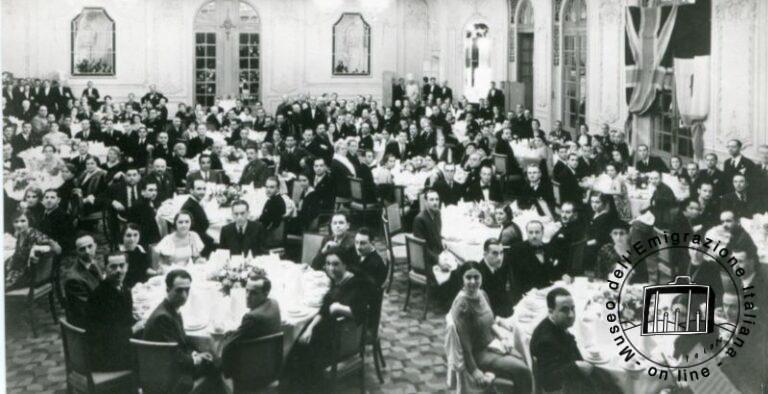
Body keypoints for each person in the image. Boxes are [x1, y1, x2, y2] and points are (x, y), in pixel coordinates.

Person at [282, 249, 369, 393]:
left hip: (340, 339)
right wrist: (310, 328)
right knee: (297, 345)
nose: (330, 268)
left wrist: (338, 308)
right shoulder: (337, 280)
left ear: (345, 265)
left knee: (303, 357)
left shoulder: (355, 284)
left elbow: (361, 313)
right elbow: (324, 309)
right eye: (328, 264)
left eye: (336, 264)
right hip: (327, 331)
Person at [448, 262, 531, 391]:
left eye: (476, 277)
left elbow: (491, 323)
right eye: (468, 277)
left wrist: (502, 338)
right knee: (522, 370)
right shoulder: (462, 306)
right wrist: (474, 370)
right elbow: (464, 344)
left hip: (493, 345)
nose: (473, 281)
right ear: (462, 279)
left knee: (523, 357)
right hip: (479, 354)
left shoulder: (482, 294)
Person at [143, 269, 218, 394]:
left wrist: (196, 354)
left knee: (213, 360)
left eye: (187, 290)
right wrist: (197, 358)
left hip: (171, 365)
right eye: (179, 290)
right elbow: (173, 356)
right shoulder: (163, 317)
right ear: (167, 290)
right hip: (167, 375)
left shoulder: (171, 309)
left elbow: (180, 343)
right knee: (216, 364)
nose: (184, 295)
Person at [530, 288, 598, 393]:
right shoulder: (545, 341)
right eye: (564, 310)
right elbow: (548, 380)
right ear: (551, 311)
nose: (571, 315)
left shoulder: (556, 325)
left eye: (572, 308)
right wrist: (576, 367)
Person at [85, 253, 144, 372]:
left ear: (127, 267)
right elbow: (107, 336)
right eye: (113, 267)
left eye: (122, 266)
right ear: (105, 268)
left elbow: (123, 320)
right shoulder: (100, 296)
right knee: (150, 357)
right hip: (105, 355)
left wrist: (137, 321)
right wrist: (135, 328)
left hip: (118, 343)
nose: (118, 270)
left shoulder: (124, 289)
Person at [220, 271, 282, 377]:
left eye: (253, 293)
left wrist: (225, 338)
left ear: (265, 293)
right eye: (247, 291)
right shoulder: (274, 303)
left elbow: (228, 345)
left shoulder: (252, 318)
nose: (247, 296)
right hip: (270, 363)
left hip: (250, 370)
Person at [5, 211, 62, 291]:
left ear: (29, 221)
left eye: (23, 221)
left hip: (28, 275)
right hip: (17, 272)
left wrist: (36, 248)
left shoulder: (34, 234)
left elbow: (58, 250)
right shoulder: (20, 234)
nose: (19, 225)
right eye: (16, 221)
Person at [61, 234, 103, 328]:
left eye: (90, 246)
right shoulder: (73, 279)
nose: (87, 251)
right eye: (82, 249)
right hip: (86, 324)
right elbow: (87, 310)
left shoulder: (92, 263)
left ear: (95, 246)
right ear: (77, 252)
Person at [510, 221, 561, 297]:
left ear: (542, 233)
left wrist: (562, 275)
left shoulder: (549, 248)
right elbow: (514, 278)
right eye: (530, 232)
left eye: (537, 232)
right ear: (526, 233)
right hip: (527, 294)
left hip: (547, 292)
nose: (534, 236)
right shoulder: (517, 250)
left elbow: (553, 273)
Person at [477, 239, 514, 317]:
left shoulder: (503, 265)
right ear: (485, 254)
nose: (500, 258)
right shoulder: (479, 275)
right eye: (495, 253)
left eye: (501, 253)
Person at [181, 179, 214, 256]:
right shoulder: (189, 206)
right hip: (197, 244)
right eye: (199, 189)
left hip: (201, 239)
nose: (202, 192)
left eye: (204, 189)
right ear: (191, 190)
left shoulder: (194, 203)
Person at [412, 188, 444, 268]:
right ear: (425, 202)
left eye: (437, 199)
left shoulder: (437, 213)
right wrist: (438, 260)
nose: (435, 202)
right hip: (426, 259)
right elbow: (421, 248)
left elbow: (436, 234)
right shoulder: (419, 219)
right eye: (431, 200)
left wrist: (442, 241)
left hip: (436, 253)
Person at [125, 180, 162, 248]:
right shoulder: (140, 206)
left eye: (155, 190)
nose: (154, 193)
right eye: (150, 190)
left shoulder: (149, 202)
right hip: (143, 242)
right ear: (143, 192)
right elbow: (148, 231)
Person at [121, 223, 157, 289]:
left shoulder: (139, 248)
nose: (132, 239)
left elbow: (145, 268)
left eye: (135, 235)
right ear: (123, 236)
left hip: (143, 284)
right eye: (128, 236)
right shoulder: (120, 254)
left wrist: (156, 273)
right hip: (128, 287)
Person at [38, 188, 75, 253]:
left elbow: (66, 241)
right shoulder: (43, 214)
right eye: (46, 197)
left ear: (58, 200)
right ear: (43, 200)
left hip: (56, 250)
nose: (49, 200)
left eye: (52, 197)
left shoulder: (64, 217)